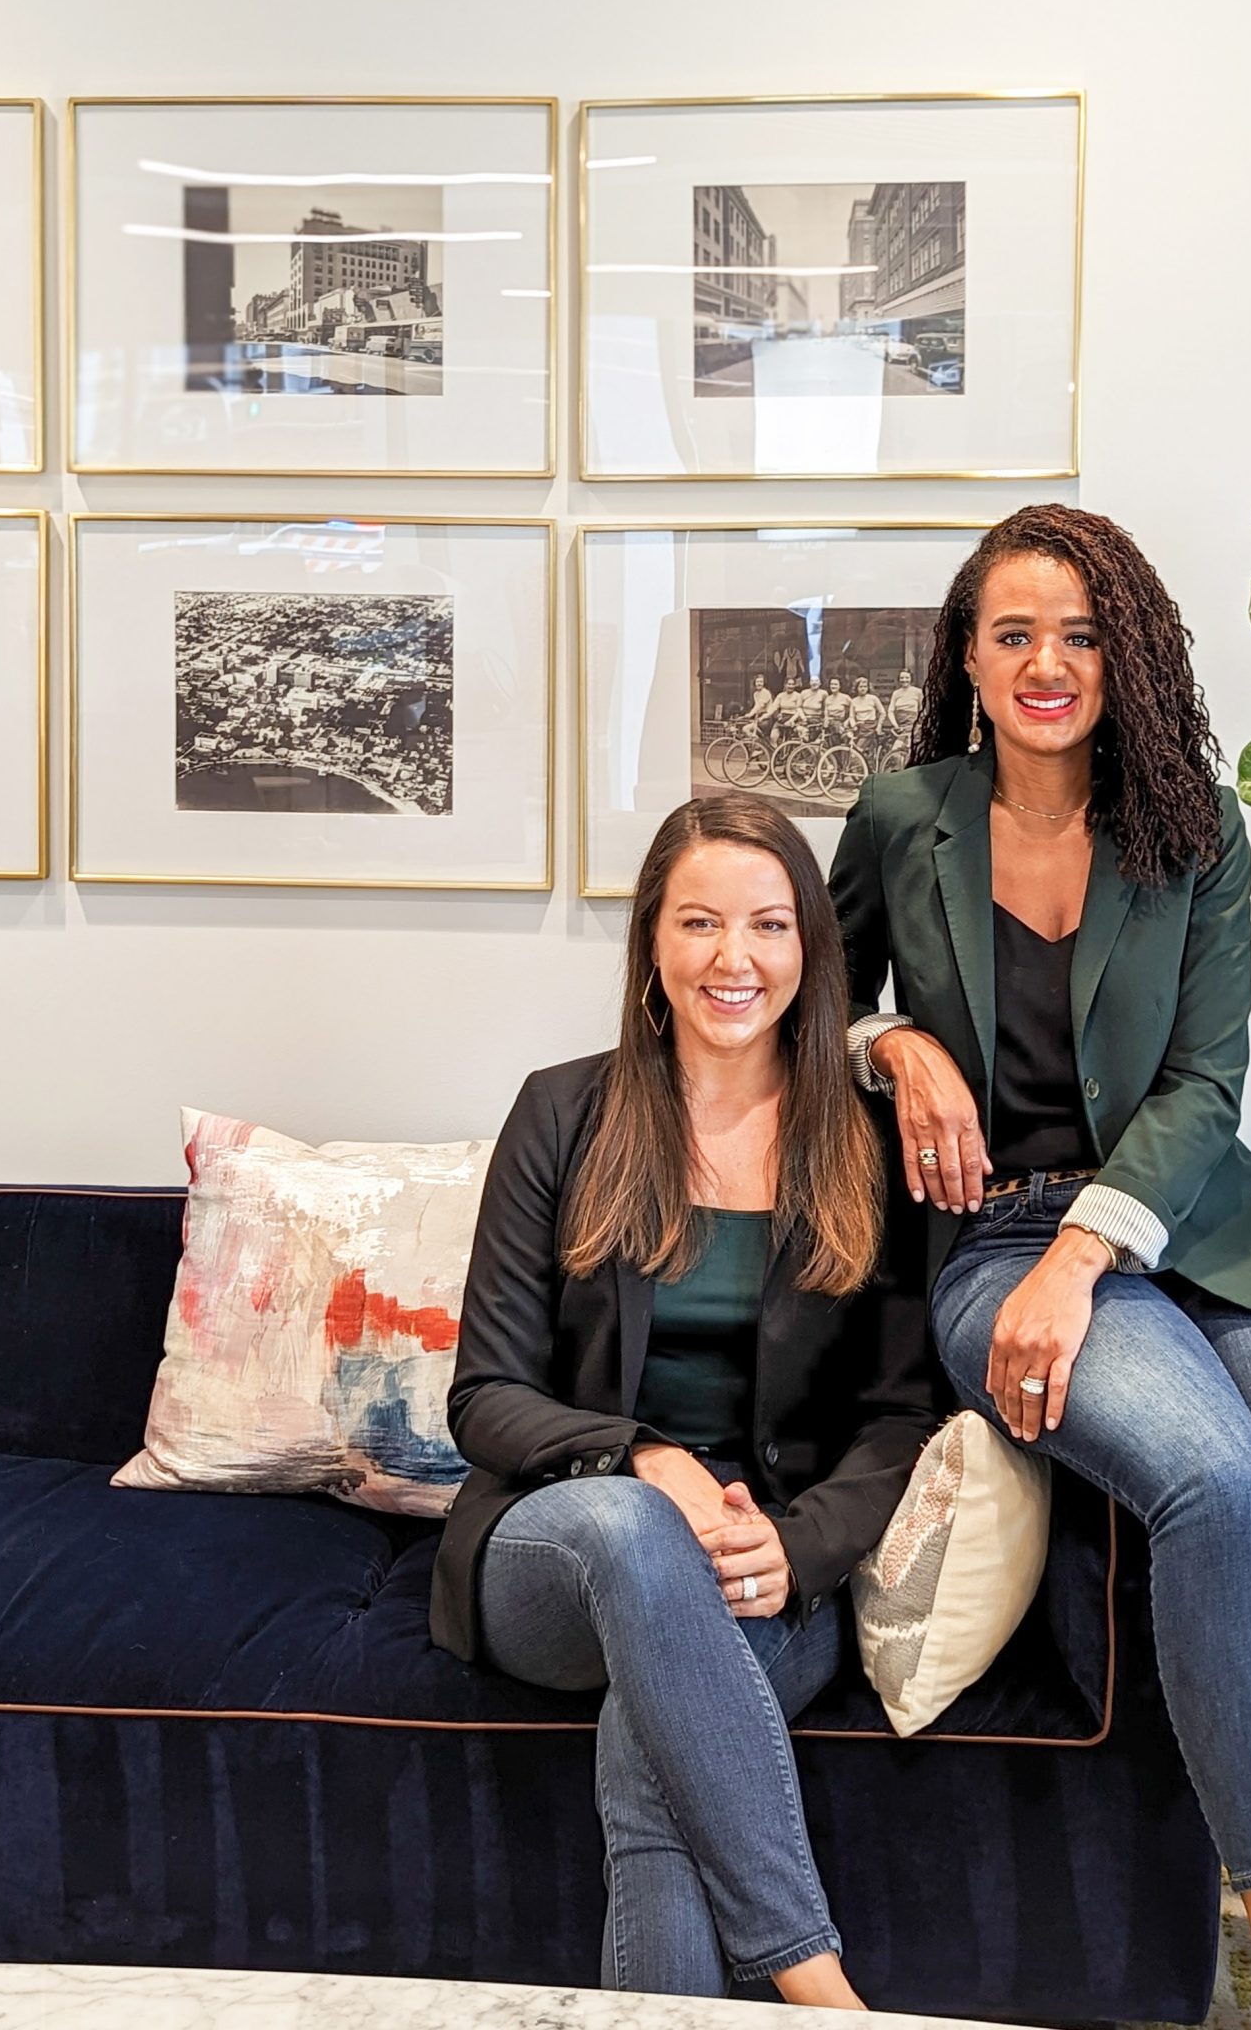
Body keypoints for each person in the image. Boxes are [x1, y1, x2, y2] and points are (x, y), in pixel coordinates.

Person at [827, 505, 1251, 2030]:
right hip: (996, 1246)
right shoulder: (901, 818)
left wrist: (1090, 1248)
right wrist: (892, 1044)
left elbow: (1202, 1085)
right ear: (967, 660)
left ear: (1128, 659)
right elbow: (805, 997)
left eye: (1082, 635)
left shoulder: (1193, 827)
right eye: (1013, 634)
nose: (1047, 664)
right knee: (1214, 1489)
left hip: (1198, 1230)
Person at [433, 792, 936, 2007]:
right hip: (562, 1544)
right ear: (653, 943)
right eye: (699, 922)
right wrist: (643, 1456)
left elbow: (900, 1413)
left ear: (809, 945)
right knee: (632, 1527)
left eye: (767, 924)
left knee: (648, 1755)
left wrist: (796, 1548)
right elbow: (485, 1394)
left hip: (762, 1563)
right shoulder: (563, 1111)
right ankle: (822, 1990)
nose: (732, 957)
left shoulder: (866, 1142)